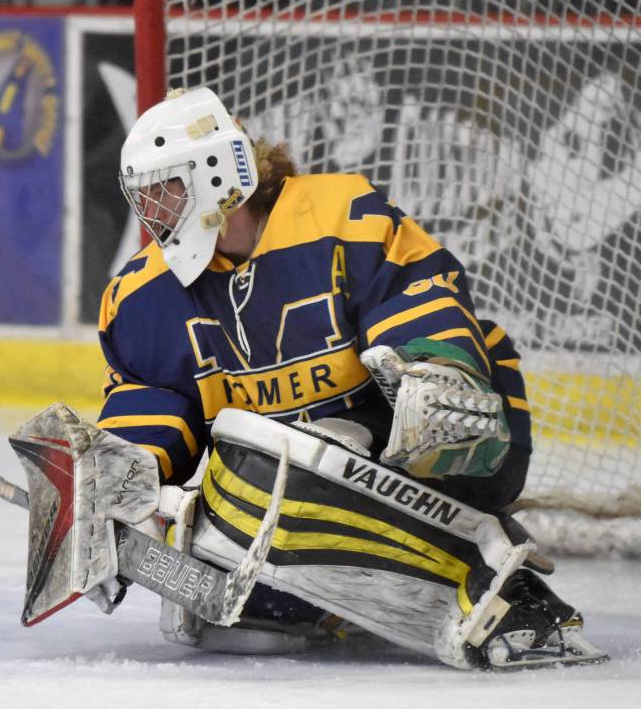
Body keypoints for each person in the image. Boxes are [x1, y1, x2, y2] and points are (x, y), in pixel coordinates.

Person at [92, 86, 605, 668]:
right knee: (232, 500)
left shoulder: (341, 214)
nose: (154, 212)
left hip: (447, 433)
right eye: (146, 197)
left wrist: (437, 370)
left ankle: (503, 586)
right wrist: (117, 482)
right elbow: (150, 397)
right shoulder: (140, 296)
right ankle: (318, 599)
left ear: (217, 170)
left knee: (305, 452)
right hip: (291, 474)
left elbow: (414, 296)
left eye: (167, 190)